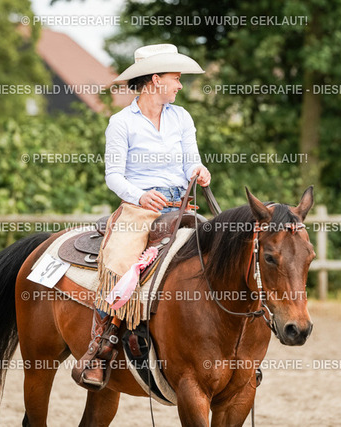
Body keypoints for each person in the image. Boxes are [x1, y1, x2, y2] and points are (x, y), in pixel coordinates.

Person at [74, 44, 210, 390]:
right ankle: (100, 348)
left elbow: (191, 160)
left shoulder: (182, 117)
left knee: (221, 251)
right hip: (140, 207)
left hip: (182, 205)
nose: (179, 85)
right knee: (119, 261)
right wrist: (140, 196)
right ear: (155, 80)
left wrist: (199, 170)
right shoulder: (121, 123)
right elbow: (113, 176)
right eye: (175, 78)